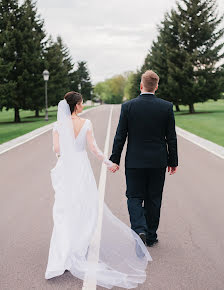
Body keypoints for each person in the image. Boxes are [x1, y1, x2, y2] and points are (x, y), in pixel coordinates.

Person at [45, 91, 152, 289]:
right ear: (76, 105)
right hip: (81, 167)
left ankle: (62, 251)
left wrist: (66, 150)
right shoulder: (86, 124)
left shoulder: (58, 125)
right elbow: (93, 148)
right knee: (83, 206)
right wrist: (108, 162)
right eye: (82, 103)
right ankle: (79, 245)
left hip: (66, 168)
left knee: (63, 208)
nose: (83, 106)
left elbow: (57, 150)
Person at [109, 70, 178, 247]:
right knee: (154, 198)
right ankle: (151, 236)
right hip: (158, 161)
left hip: (134, 162)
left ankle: (139, 229)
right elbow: (171, 137)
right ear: (156, 87)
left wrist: (114, 159)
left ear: (141, 86)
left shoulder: (128, 107)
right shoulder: (166, 107)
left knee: (134, 197)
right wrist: (173, 161)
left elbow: (120, 136)